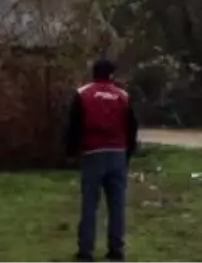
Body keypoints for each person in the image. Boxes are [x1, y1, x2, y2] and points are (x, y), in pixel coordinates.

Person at [65, 58, 139, 262]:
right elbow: (131, 127)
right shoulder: (123, 96)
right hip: (117, 153)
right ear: (112, 75)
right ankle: (116, 249)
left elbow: (74, 126)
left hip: (92, 153)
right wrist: (128, 153)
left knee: (89, 204)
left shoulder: (83, 94)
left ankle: (86, 251)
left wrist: (71, 152)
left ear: (94, 73)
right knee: (117, 205)